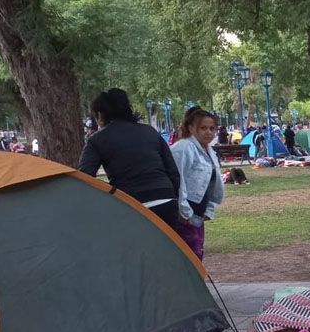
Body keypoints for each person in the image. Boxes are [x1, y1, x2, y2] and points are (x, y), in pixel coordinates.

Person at [77, 88, 181, 226]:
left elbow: (85, 178)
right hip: (166, 201)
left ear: (100, 115)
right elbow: (173, 172)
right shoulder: (150, 132)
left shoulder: (96, 140)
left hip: (131, 205)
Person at [170, 108, 224, 259]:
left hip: (198, 214)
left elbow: (213, 183)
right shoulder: (183, 148)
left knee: (196, 255)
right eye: (203, 128)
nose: (208, 132)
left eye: (212, 128)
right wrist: (184, 211)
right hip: (184, 214)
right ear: (190, 127)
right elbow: (177, 181)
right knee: (188, 259)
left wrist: (209, 209)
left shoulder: (209, 150)